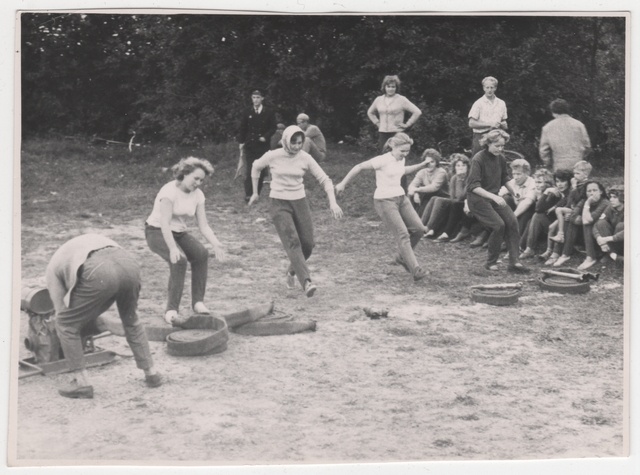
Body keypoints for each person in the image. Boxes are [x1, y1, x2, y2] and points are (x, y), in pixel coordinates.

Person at [45, 233, 162, 399]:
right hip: (128, 262)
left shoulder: (51, 272)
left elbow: (62, 316)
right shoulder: (70, 252)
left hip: (97, 269)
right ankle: (152, 373)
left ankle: (82, 383)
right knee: (131, 319)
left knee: (65, 324)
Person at [249, 125, 343, 297]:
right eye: (294, 143)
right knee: (293, 241)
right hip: (279, 202)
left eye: (300, 143)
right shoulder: (273, 155)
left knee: (308, 245)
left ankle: (292, 271)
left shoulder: (305, 157)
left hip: (300, 202)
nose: (297, 147)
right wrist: (255, 192)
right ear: (285, 141)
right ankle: (306, 282)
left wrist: (333, 202)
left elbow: (325, 180)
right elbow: (255, 166)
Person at [335, 133, 431, 281]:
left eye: (407, 151)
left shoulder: (400, 159)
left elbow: (403, 170)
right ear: (393, 146)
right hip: (384, 200)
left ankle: (401, 258)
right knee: (403, 234)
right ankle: (415, 269)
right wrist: (343, 183)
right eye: (402, 151)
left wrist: (421, 165)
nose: (405, 154)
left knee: (419, 229)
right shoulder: (382, 160)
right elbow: (359, 166)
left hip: (401, 197)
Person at [145, 157, 226, 324]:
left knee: (201, 253)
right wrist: (173, 248)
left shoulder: (198, 195)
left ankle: (197, 302)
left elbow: (203, 226)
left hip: (179, 232)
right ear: (185, 174)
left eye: (201, 180)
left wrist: (216, 243)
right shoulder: (169, 192)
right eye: (195, 178)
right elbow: (164, 223)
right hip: (156, 231)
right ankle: (171, 310)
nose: (198, 183)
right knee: (179, 261)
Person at [465, 129, 529, 273]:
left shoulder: (500, 158)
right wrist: (494, 197)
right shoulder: (478, 158)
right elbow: (473, 186)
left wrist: (514, 192)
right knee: (498, 225)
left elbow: (504, 177)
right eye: (497, 146)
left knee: (512, 221)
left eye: (502, 146)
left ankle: (514, 263)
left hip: (493, 197)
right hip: (477, 199)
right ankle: (491, 262)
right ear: (488, 143)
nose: (500, 149)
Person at [367, 75, 422, 192]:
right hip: (383, 134)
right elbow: (370, 112)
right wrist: (377, 123)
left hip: (397, 135)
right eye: (388, 86)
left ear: (396, 88)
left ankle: (402, 189)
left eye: (393, 87)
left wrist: (407, 124)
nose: (391, 89)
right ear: (384, 87)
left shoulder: (401, 99)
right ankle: (385, 188)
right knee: (384, 161)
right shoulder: (379, 100)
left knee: (398, 161)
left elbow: (417, 111)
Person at [553, 180, 610, 270]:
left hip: (600, 238)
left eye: (594, 190)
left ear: (601, 191)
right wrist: (580, 216)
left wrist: (587, 204)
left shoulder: (604, 203)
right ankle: (565, 254)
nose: (592, 193)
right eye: (589, 191)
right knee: (570, 220)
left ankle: (590, 257)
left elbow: (590, 219)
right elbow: (573, 215)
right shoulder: (584, 200)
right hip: (585, 236)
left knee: (586, 223)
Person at [421, 154, 474, 242]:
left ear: (468, 167)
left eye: (463, 165)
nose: (461, 168)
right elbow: (452, 195)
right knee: (439, 199)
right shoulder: (454, 178)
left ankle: (444, 232)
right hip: (456, 202)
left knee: (451, 203)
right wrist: (458, 179)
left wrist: (460, 180)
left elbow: (461, 196)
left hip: (467, 204)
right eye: (458, 165)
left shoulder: (470, 179)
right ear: (455, 167)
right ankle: (427, 228)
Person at [522, 168, 573, 259]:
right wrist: (546, 192)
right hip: (552, 227)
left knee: (557, 222)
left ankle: (553, 253)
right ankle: (529, 249)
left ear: (569, 182)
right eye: (557, 181)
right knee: (537, 216)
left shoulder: (571, 193)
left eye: (563, 181)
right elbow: (538, 209)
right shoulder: (555, 192)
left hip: (566, 228)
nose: (559, 184)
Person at [238, 89, 277, 202]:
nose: (255, 100)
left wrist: (266, 136)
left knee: (260, 168)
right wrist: (241, 142)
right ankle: (248, 194)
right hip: (250, 145)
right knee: (250, 168)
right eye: (254, 97)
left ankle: (256, 193)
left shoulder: (268, 112)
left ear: (262, 98)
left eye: (258, 97)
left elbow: (273, 128)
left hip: (262, 146)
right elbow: (243, 128)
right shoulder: (247, 112)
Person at [539, 99, 592, 172]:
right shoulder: (579, 125)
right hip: (578, 164)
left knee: (561, 183)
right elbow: (587, 146)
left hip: (559, 165)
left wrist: (548, 163)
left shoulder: (547, 127)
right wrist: (582, 158)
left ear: (553, 112)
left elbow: (544, 151)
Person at [498, 158, 537, 244]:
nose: (515, 177)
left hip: (528, 211)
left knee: (525, 213)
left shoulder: (533, 183)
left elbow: (528, 202)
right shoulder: (512, 182)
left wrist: (513, 216)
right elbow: (498, 194)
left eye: (518, 174)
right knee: (505, 199)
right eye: (513, 174)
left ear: (527, 173)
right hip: (516, 208)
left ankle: (514, 241)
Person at [468, 76, 508, 156]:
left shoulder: (501, 103)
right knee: (479, 162)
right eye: (487, 87)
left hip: (496, 137)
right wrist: (489, 124)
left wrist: (504, 125)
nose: (489, 90)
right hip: (481, 137)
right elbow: (471, 123)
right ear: (483, 88)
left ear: (495, 88)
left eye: (492, 87)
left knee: (496, 163)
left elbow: (504, 121)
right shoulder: (478, 103)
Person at [407, 148, 449, 219]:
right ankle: (410, 219)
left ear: (436, 163)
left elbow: (433, 187)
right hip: (428, 196)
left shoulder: (441, 172)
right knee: (410, 195)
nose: (429, 165)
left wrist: (417, 190)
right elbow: (411, 186)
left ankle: (421, 222)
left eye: (432, 162)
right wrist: (415, 193)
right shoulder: (422, 172)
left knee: (426, 199)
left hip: (441, 196)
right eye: (427, 162)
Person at [593, 185, 624, 263]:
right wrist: (599, 238)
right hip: (614, 241)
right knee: (601, 223)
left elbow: (630, 231)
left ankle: (617, 255)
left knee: (621, 226)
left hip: (628, 243)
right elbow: (596, 225)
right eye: (610, 197)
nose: (611, 200)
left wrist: (606, 239)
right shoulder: (610, 208)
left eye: (614, 197)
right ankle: (612, 254)